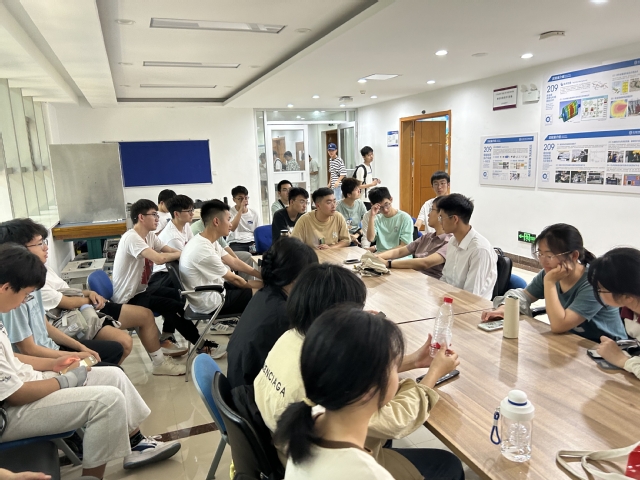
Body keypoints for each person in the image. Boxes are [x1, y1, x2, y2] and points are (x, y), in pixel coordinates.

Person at [254, 264, 463, 480]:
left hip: (297, 454)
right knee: (448, 464)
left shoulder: (295, 343)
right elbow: (397, 420)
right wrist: (433, 374)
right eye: (356, 311)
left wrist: (413, 361)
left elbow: (355, 369)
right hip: (323, 461)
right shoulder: (368, 473)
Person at [0, 244, 181, 477]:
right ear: (6, 288)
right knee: (107, 401)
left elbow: (11, 357)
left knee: (113, 375)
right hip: (10, 412)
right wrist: (65, 381)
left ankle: (136, 445)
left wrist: (55, 364)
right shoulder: (9, 310)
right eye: (25, 295)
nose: (25, 301)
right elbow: (16, 395)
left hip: (28, 381)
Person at [0, 219, 184, 375]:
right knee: (124, 345)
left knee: (147, 315)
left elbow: (62, 296)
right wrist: (71, 356)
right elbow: (64, 305)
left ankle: (156, 359)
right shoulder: (18, 294)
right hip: (72, 316)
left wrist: (88, 296)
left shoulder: (37, 275)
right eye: (40, 243)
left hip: (80, 312)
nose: (46, 247)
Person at [112, 199, 226, 357]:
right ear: (141, 217)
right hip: (127, 298)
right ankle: (201, 345)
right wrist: (186, 254)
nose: (157, 219)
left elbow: (169, 250)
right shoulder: (131, 238)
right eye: (154, 215)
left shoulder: (149, 236)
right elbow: (159, 258)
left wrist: (185, 254)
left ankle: (166, 337)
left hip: (141, 291)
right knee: (171, 305)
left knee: (176, 294)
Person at [482, 224, 627, 342]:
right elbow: (525, 295)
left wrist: (550, 283)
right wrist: (505, 308)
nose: (543, 261)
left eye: (550, 255)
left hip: (605, 348)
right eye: (540, 254)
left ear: (574, 255)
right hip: (571, 342)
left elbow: (559, 325)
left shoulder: (593, 283)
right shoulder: (551, 273)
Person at [226, 237, 317, 388]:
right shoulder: (284, 314)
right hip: (253, 392)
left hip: (239, 381)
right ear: (295, 278)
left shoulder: (265, 294)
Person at [180, 200, 262, 330]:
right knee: (264, 294)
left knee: (263, 286)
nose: (231, 224)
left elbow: (234, 262)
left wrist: (262, 276)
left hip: (213, 290)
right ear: (216, 221)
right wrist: (267, 284)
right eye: (228, 220)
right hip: (211, 302)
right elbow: (236, 280)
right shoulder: (203, 249)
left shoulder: (207, 240)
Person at [588, 247, 640, 376]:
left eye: (600, 289)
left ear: (627, 296)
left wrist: (623, 361)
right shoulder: (630, 309)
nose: (598, 293)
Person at [438, 194, 497, 300]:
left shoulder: (479, 250)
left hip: (472, 306)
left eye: (441, 217)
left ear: (455, 219)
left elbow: (471, 295)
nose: (440, 221)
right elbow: (445, 279)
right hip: (450, 300)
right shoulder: (453, 241)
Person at [377, 196, 452, 279]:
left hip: (432, 282)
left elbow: (425, 263)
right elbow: (399, 252)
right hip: (415, 278)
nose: (428, 214)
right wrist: (377, 257)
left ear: (441, 214)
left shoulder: (449, 242)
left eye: (431, 210)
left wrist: (388, 263)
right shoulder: (426, 237)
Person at [366, 187, 413, 253]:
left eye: (387, 205)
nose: (385, 210)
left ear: (391, 199)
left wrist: (384, 254)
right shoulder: (377, 219)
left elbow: (404, 246)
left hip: (400, 255)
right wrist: (372, 216)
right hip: (380, 255)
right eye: (380, 207)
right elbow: (370, 239)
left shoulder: (405, 218)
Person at [228, 186, 261, 252]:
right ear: (234, 200)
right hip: (236, 242)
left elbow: (258, 232)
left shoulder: (254, 213)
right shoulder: (230, 213)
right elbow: (232, 228)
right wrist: (241, 210)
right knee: (238, 255)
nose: (244, 201)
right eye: (240, 198)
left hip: (252, 242)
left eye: (246, 198)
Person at [336, 178, 367, 245]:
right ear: (349, 195)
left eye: (358, 188)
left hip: (357, 233)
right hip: (342, 236)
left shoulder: (360, 203)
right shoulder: (337, 207)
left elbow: (367, 222)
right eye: (356, 189)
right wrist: (349, 236)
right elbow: (335, 228)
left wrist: (356, 235)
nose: (359, 191)